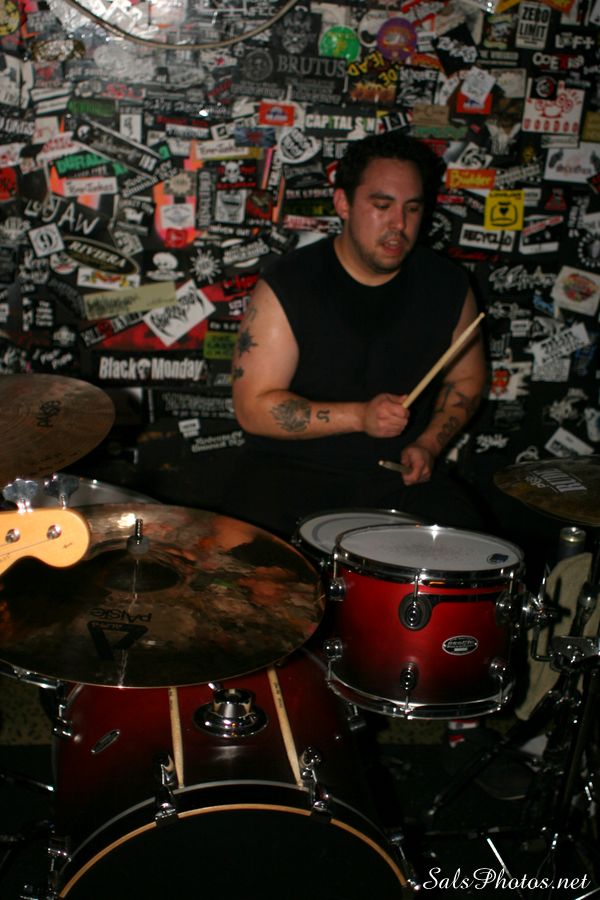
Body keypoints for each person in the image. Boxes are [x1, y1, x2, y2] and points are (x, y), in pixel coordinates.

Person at [222, 131, 487, 539]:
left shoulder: (448, 285)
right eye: (382, 206)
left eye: (412, 208)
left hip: (397, 480)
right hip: (288, 474)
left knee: (473, 552)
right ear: (343, 204)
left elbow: (466, 380)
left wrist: (429, 445)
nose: (399, 224)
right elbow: (252, 407)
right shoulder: (291, 282)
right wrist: (361, 416)